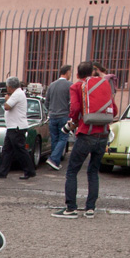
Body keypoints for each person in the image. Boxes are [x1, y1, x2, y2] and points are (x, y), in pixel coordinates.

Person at [54, 62, 114, 218]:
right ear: (92, 72)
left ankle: (71, 208)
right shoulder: (104, 84)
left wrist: (73, 122)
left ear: (77, 74)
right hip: (103, 133)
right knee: (93, 172)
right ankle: (90, 208)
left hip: (86, 133)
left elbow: (74, 109)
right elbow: (114, 109)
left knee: (72, 171)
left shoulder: (77, 87)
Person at [0, 77, 35, 180]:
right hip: (12, 126)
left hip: (16, 127)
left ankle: (29, 170)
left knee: (20, 150)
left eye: (7, 86)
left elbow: (7, 106)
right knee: (7, 150)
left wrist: (7, 99)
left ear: (11, 87)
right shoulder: (18, 93)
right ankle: (2, 172)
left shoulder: (17, 94)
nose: (7, 88)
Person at [45, 65, 72, 169]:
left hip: (52, 116)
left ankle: (55, 161)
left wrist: (50, 111)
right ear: (67, 72)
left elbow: (47, 102)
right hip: (63, 115)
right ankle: (53, 159)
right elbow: (71, 102)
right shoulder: (69, 85)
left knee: (54, 139)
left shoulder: (51, 85)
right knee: (63, 138)